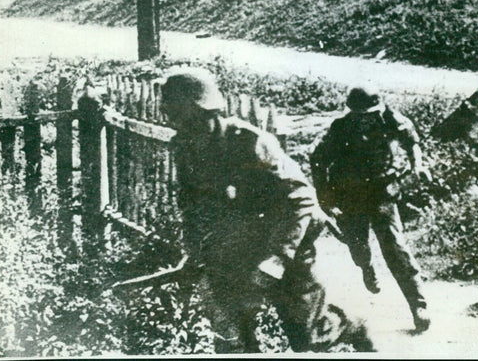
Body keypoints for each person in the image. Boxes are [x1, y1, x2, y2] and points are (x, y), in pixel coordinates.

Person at [160, 67, 374, 353]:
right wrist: (194, 251)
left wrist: (278, 259)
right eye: (172, 116)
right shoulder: (184, 148)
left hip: (286, 233)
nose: (177, 124)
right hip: (235, 241)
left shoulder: (249, 142)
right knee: (234, 329)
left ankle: (350, 327)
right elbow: (190, 204)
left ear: (203, 110)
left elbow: (301, 199)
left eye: (181, 115)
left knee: (305, 333)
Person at [310, 86, 432, 333]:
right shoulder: (341, 128)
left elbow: (412, 141)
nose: (367, 120)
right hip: (349, 193)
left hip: (381, 191)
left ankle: (418, 305)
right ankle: (366, 267)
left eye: (371, 114)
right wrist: (325, 199)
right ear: (353, 113)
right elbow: (317, 159)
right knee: (357, 245)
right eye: (361, 115)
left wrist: (418, 165)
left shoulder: (390, 119)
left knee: (395, 248)